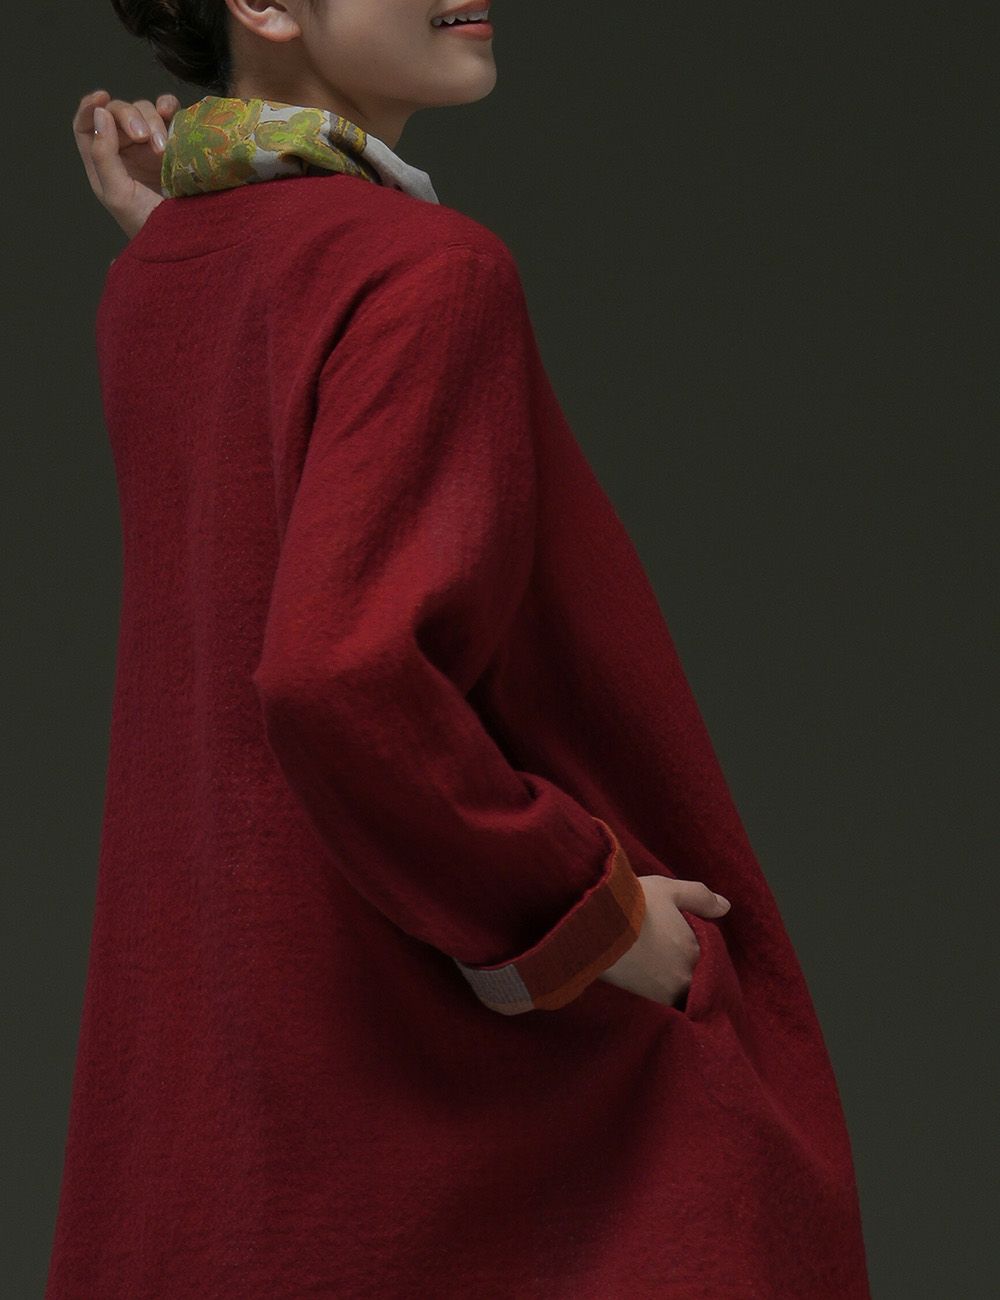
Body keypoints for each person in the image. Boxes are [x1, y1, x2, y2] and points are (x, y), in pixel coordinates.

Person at [50, 2, 872, 1296]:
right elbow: (338, 677)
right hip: (413, 1104)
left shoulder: (162, 279)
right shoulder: (429, 272)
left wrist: (176, 234)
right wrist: (584, 919)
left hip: (221, 1101)